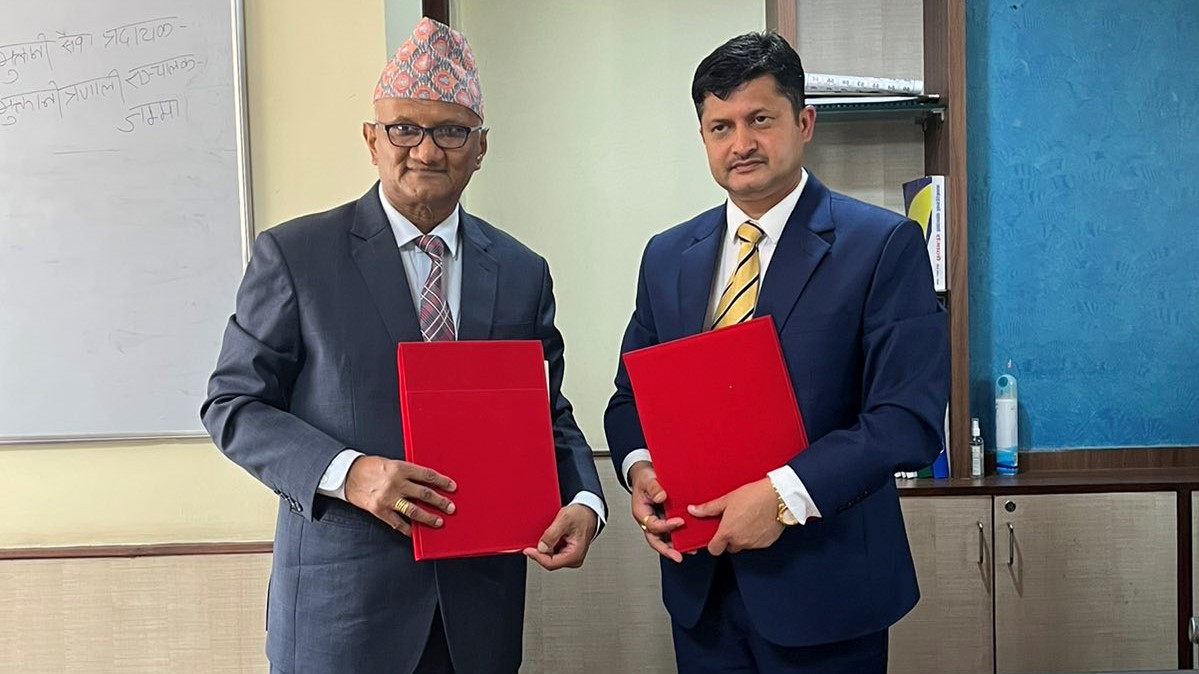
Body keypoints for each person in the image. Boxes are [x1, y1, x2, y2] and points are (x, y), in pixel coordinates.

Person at [202, 17, 604, 674]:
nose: (426, 150)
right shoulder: (297, 256)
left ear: (481, 147)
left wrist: (585, 500)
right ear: (372, 139)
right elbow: (233, 405)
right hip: (341, 618)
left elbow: (547, 412)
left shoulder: (521, 271)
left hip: (478, 614)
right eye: (404, 129)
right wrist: (349, 472)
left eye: (450, 131)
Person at [604, 31, 949, 673]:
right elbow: (630, 398)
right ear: (703, 137)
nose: (741, 143)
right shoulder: (666, 256)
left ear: (804, 122)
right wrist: (641, 468)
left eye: (760, 119)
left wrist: (783, 497)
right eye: (721, 127)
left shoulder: (882, 245)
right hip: (702, 591)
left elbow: (908, 420)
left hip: (827, 589)